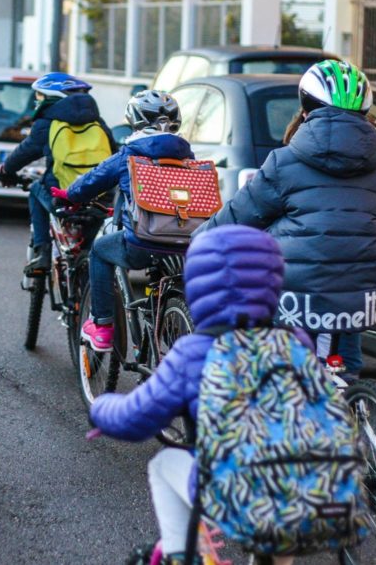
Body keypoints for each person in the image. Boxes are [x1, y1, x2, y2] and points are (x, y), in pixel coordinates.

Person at [90, 225, 297, 565]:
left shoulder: (196, 352)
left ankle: (182, 554)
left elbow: (137, 419)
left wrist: (101, 409)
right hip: (313, 489)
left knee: (165, 463)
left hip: (239, 489)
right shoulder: (294, 343)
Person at [198, 60, 376, 379]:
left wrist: (200, 239)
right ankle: (352, 400)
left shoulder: (284, 162)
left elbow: (237, 218)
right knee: (344, 364)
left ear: (305, 109)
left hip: (299, 294)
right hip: (368, 290)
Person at [59, 90, 192, 353]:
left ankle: (103, 326)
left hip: (142, 242)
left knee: (99, 251)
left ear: (135, 120)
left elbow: (91, 182)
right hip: (185, 240)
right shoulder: (188, 156)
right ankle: (174, 326)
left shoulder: (130, 154)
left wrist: (69, 194)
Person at [0, 72, 115, 275]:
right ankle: (86, 253)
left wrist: (6, 170)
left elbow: (26, 151)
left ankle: (41, 251)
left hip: (62, 193)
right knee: (97, 212)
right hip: (99, 195)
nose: (37, 102)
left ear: (53, 97)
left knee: (35, 188)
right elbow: (113, 153)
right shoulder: (98, 122)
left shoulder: (48, 123)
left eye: (40, 97)